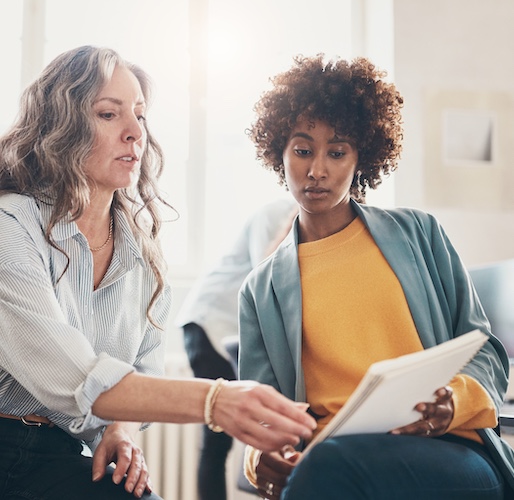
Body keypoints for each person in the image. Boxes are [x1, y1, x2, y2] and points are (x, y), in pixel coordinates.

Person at [0, 45, 316, 500]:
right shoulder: (12, 226)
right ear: (60, 128)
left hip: (63, 454)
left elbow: (140, 367)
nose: (134, 133)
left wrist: (122, 429)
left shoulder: (142, 253)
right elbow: (72, 376)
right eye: (109, 114)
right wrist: (217, 401)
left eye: (140, 115)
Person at [238, 54, 514, 499]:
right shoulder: (260, 290)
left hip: (448, 449)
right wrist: (262, 457)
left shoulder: (420, 234)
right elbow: (262, 412)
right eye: (303, 150)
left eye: (338, 151)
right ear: (279, 152)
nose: (318, 170)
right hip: (329, 458)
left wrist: (453, 403)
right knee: (326, 468)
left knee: (331, 471)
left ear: (361, 157)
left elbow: (487, 352)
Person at [176, 197, 297, 500]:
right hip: (209, 321)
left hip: (234, 329)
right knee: (217, 435)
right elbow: (266, 281)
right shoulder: (275, 213)